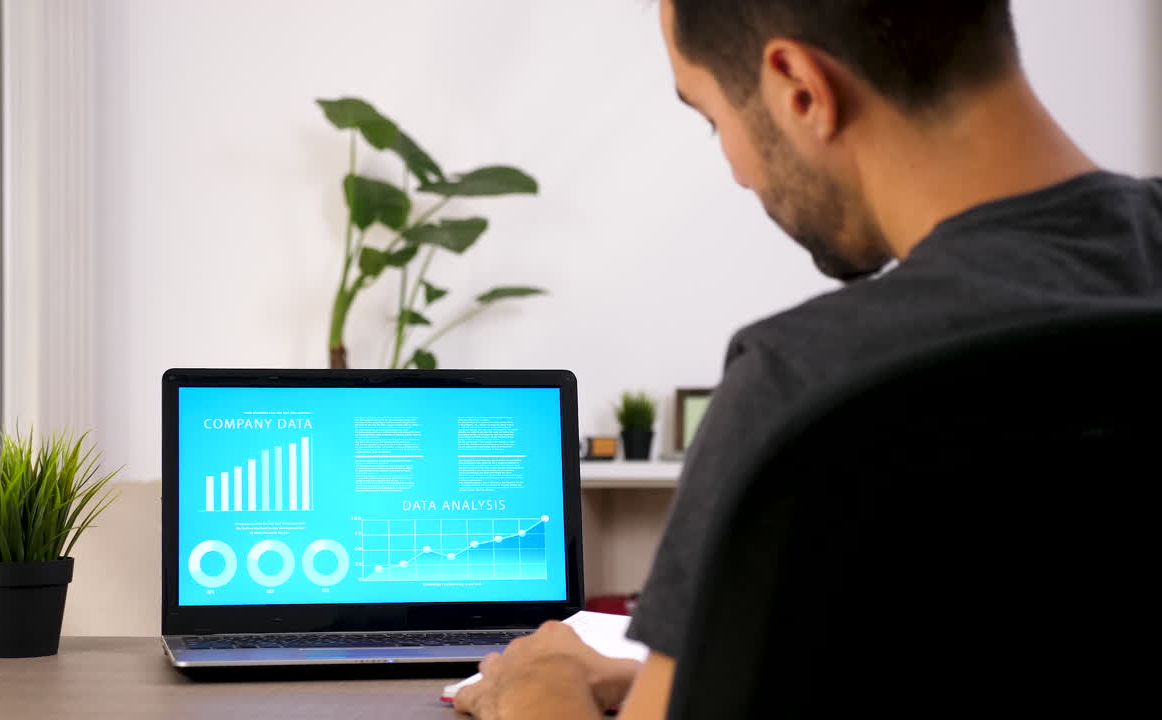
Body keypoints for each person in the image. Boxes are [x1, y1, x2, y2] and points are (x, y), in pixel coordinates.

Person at [454, 0, 1162, 717]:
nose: (736, 171)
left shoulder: (805, 384)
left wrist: (540, 685)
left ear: (800, 89)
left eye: (712, 119)